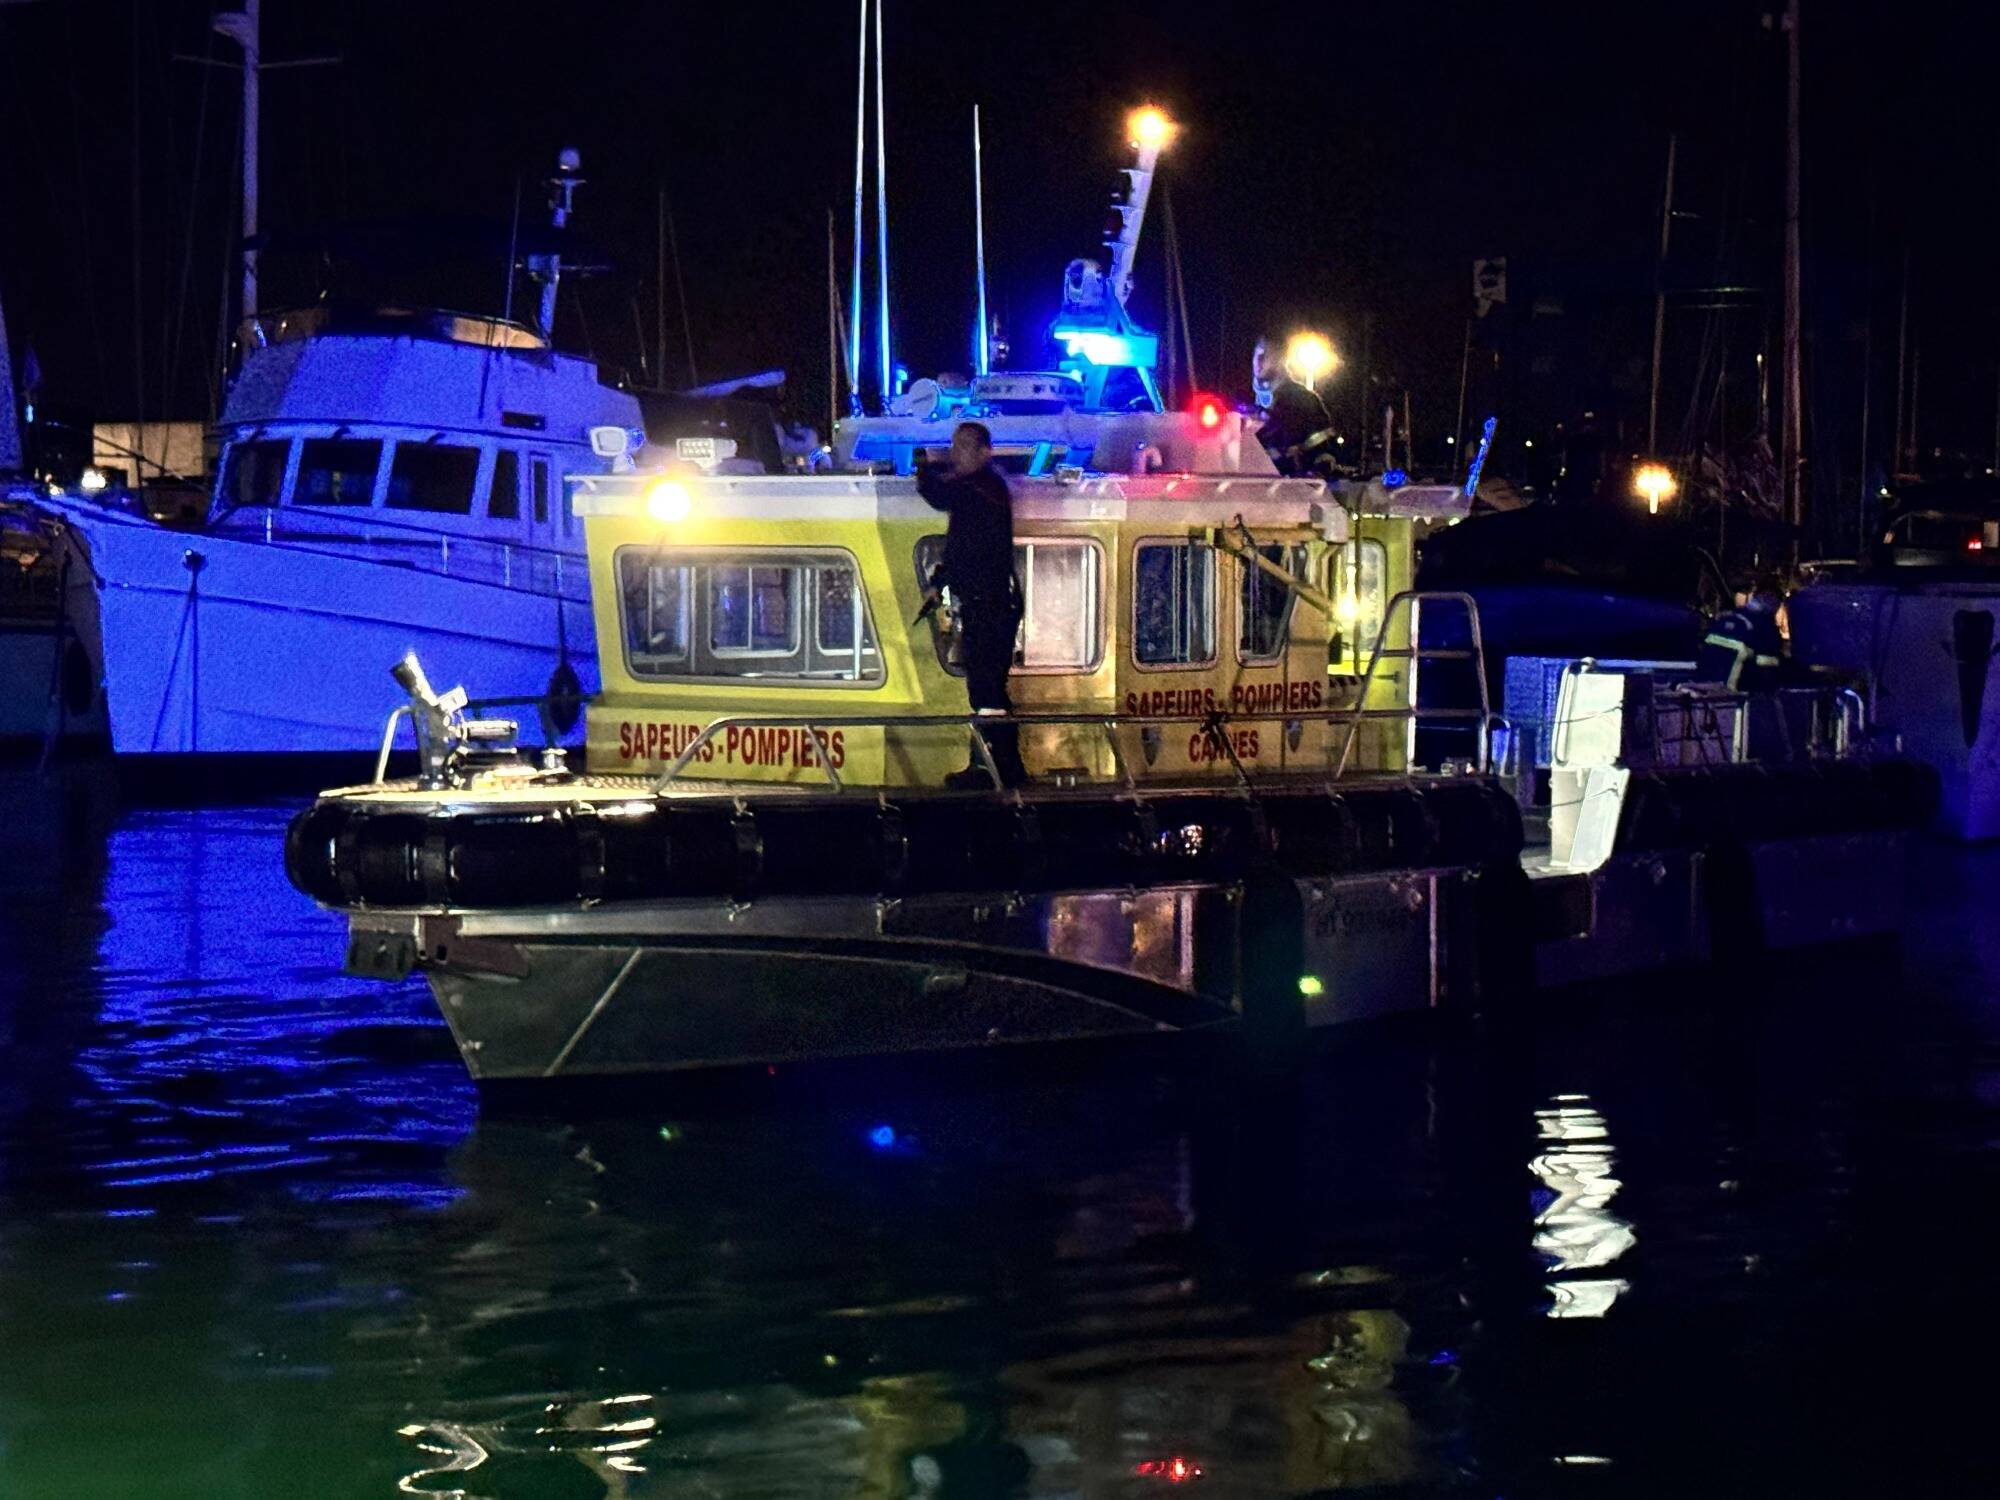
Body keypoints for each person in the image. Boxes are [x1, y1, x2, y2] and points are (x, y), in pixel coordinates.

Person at [917, 422, 1027, 788]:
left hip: (991, 603)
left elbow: (938, 494)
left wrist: (922, 463)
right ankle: (1002, 767)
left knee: (986, 689)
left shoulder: (982, 488)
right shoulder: (980, 491)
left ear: (985, 452)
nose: (957, 452)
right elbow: (961, 547)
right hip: (985, 601)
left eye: (965, 446)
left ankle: (993, 769)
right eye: (954, 445)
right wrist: (939, 584)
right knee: (986, 688)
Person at [1251, 336, 1335, 476]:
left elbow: (1324, 455)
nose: (1258, 361)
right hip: (1246, 488)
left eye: (1265, 355)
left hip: (1289, 491)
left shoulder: (1303, 401)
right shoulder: (1244, 400)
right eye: (1256, 355)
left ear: (1282, 359)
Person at [1697, 577, 1787, 691]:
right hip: (1734, 695)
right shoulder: (1764, 627)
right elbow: (1768, 668)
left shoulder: (1726, 618)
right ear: (1776, 604)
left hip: (1706, 689)